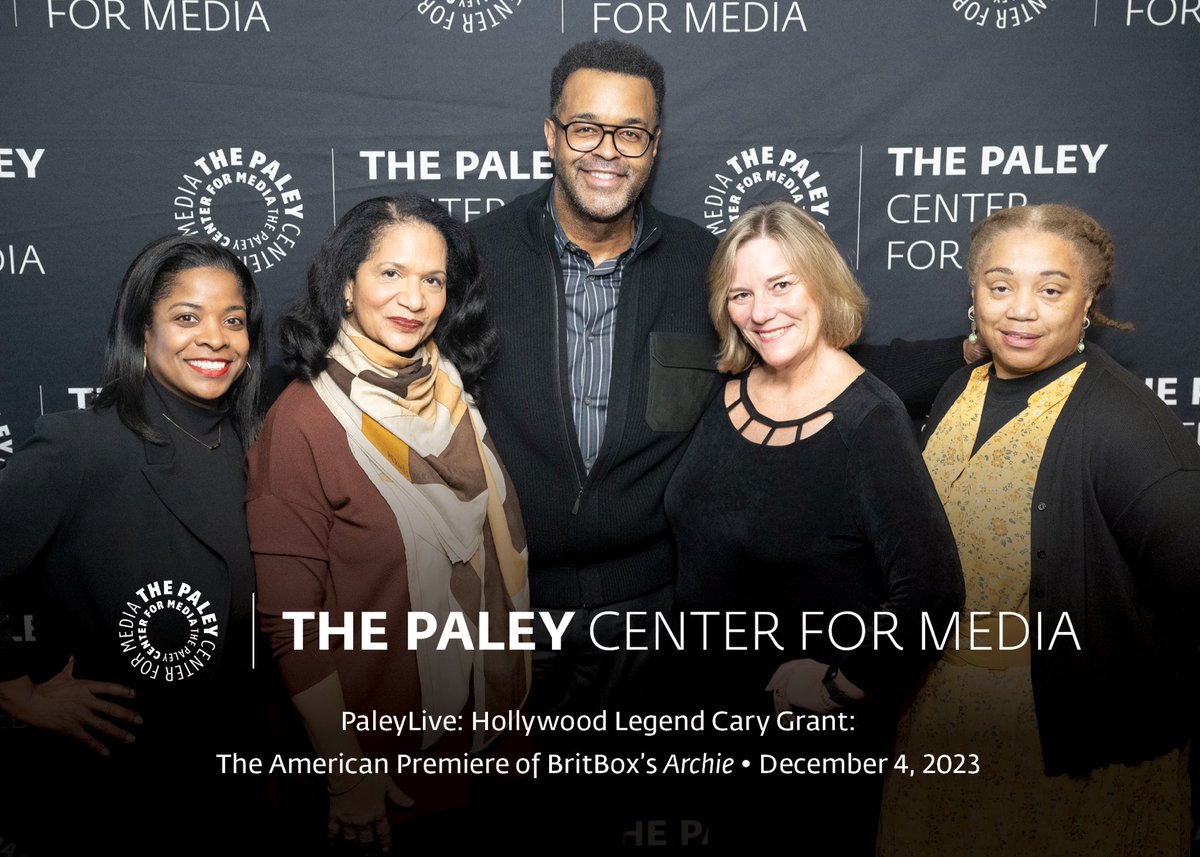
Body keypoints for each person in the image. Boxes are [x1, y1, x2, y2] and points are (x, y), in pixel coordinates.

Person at [469, 37, 978, 716]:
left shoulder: (702, 266)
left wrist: (984, 343)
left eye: (631, 133)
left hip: (651, 624)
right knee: (511, 815)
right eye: (587, 128)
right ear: (552, 136)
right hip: (505, 609)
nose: (607, 151)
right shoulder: (473, 255)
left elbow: (821, 356)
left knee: (625, 811)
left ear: (655, 146)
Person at [876, 204, 1200, 854]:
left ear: (1087, 303)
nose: (1020, 309)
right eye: (1001, 286)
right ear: (973, 294)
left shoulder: (1122, 423)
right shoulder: (958, 390)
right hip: (937, 727)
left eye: (1051, 289)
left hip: (1062, 750)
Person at [661, 201, 964, 849]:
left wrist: (837, 679)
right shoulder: (730, 391)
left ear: (821, 282)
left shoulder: (868, 420)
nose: (761, 311)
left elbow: (933, 593)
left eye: (780, 284)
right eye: (741, 293)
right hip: (708, 723)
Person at [247, 194, 529, 850]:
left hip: (482, 740)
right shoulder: (303, 421)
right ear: (346, 286)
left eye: (433, 279)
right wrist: (347, 775)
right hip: (379, 768)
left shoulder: (454, 397)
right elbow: (291, 626)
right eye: (391, 273)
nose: (415, 297)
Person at [0, 234, 266, 851]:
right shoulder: (81, 447)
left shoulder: (258, 447)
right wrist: (18, 693)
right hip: (113, 791)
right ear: (142, 332)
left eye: (233, 320)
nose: (215, 338)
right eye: (186, 317)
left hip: (239, 778)